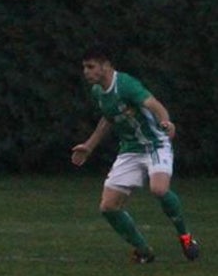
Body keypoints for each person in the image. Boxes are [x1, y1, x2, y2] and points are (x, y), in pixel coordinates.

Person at [71, 44, 200, 263]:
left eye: (91, 67)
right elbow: (108, 118)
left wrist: (166, 121)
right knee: (108, 207)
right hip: (130, 150)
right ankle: (144, 251)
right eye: (84, 67)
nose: (86, 72)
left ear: (105, 66)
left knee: (159, 189)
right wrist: (89, 146)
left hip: (155, 144)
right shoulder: (97, 92)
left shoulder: (126, 85)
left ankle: (185, 236)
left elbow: (153, 104)